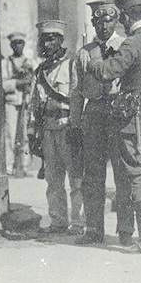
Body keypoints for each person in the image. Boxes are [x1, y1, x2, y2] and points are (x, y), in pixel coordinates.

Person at [86, 0, 141, 254]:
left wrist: (94, 59)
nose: (120, 20)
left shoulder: (133, 43)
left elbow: (107, 72)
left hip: (134, 124)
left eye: (121, 16)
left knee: (138, 177)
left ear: (129, 16)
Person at [70, 0, 127, 245]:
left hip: (118, 113)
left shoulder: (125, 47)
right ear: (93, 24)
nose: (104, 26)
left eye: (109, 21)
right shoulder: (84, 53)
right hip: (93, 114)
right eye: (99, 22)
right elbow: (76, 91)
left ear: (116, 22)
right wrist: (74, 124)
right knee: (92, 175)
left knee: (123, 173)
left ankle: (125, 230)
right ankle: (93, 229)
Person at [29, 20, 84, 235]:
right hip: (48, 130)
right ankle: (58, 221)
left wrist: (77, 128)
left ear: (61, 40)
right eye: (44, 39)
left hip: (67, 127)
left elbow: (79, 99)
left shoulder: (71, 66)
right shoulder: (40, 71)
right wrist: (32, 133)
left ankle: (78, 223)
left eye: (52, 39)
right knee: (53, 180)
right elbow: (34, 104)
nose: (47, 44)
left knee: (76, 179)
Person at [3, 32, 36, 177]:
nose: (18, 46)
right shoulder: (6, 63)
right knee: (10, 135)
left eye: (20, 43)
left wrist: (29, 84)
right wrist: (18, 83)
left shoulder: (30, 62)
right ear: (11, 46)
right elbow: (3, 84)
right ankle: (9, 166)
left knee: (25, 135)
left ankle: (24, 165)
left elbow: (36, 80)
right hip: (11, 102)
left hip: (26, 102)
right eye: (15, 43)